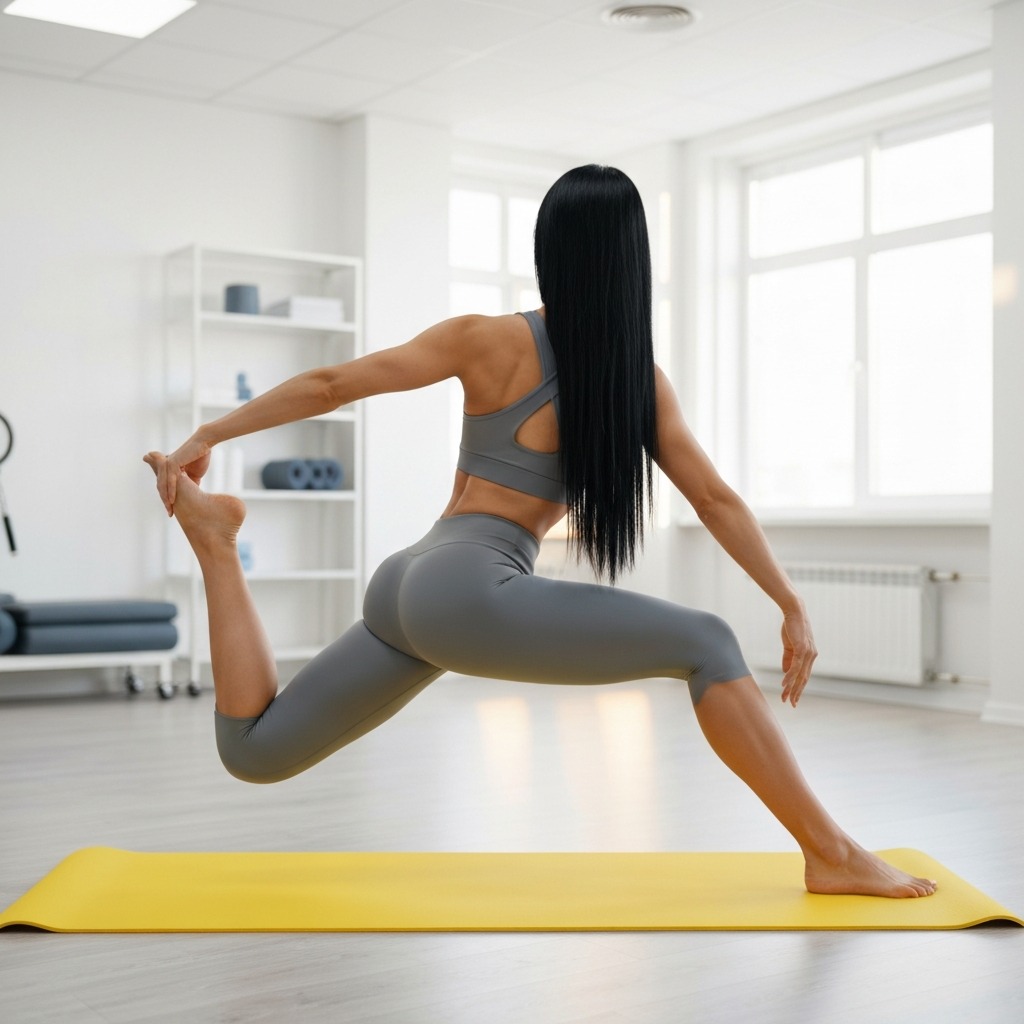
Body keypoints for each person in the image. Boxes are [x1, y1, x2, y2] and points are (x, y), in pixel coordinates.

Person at [145, 165, 936, 899]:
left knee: (253, 750)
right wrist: (789, 601)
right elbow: (716, 501)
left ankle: (218, 547)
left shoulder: (483, 337)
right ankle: (830, 855)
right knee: (710, 641)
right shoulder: (635, 381)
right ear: (633, 261)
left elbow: (330, 384)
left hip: (407, 579)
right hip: (468, 592)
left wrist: (210, 432)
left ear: (548, 249)